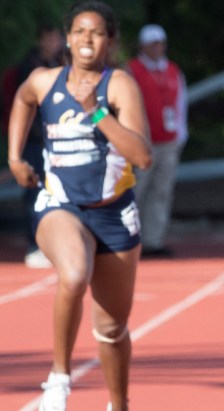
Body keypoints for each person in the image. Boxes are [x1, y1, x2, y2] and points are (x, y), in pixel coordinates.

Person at [6, 1, 151, 410]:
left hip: (114, 213)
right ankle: (58, 377)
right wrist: (16, 158)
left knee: (111, 329)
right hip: (60, 204)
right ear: (68, 38)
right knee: (73, 273)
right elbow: (22, 99)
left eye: (97, 32)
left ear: (110, 41)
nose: (88, 39)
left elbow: (142, 156)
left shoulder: (118, 84)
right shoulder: (44, 80)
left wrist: (95, 112)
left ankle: (118, 403)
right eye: (80, 31)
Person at [1, 23, 65, 268]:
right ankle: (36, 244)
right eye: (47, 38)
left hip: (60, 140)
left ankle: (57, 244)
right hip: (36, 142)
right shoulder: (29, 69)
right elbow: (22, 106)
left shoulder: (65, 65)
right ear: (40, 40)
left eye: (55, 38)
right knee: (35, 193)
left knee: (60, 192)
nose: (52, 43)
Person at [127, 24, 187, 258]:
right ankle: (129, 239)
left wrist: (181, 135)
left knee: (161, 192)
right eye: (153, 44)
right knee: (136, 190)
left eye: (161, 43)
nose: (158, 48)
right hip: (142, 141)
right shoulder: (132, 70)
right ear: (143, 46)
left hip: (168, 140)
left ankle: (153, 239)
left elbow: (181, 103)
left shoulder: (172, 69)